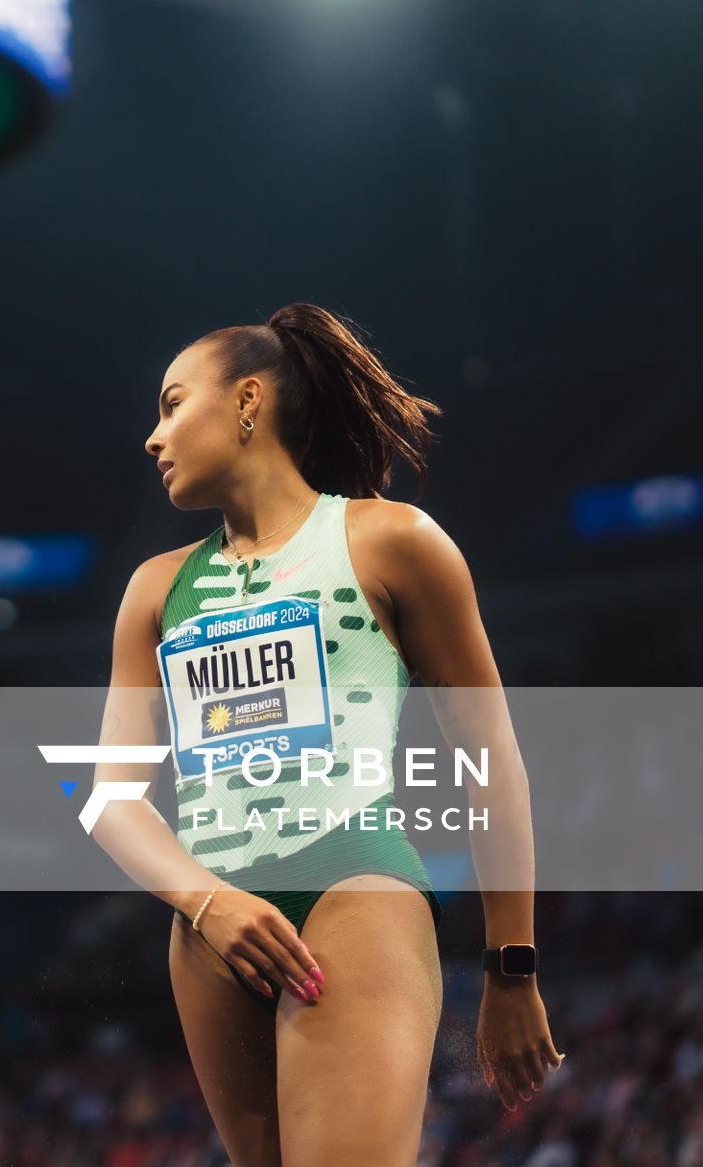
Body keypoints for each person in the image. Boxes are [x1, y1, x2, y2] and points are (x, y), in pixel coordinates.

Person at [86, 302, 562, 1166]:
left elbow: (492, 761)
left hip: (353, 894)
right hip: (207, 932)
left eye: (171, 403)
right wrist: (208, 902)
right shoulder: (154, 592)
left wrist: (512, 967)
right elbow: (112, 803)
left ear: (248, 402)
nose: (152, 438)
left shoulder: (391, 542)